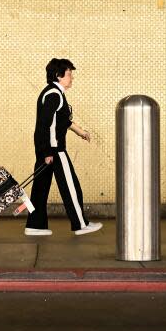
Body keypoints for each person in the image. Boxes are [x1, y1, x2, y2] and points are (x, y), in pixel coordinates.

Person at [25, 58, 102, 236]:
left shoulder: (53, 93)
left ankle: (35, 226)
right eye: (69, 74)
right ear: (59, 76)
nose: (72, 78)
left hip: (47, 150)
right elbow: (45, 125)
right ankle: (81, 224)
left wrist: (81, 132)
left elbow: (63, 120)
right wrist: (48, 152)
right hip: (54, 150)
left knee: (40, 188)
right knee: (71, 186)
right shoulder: (54, 94)